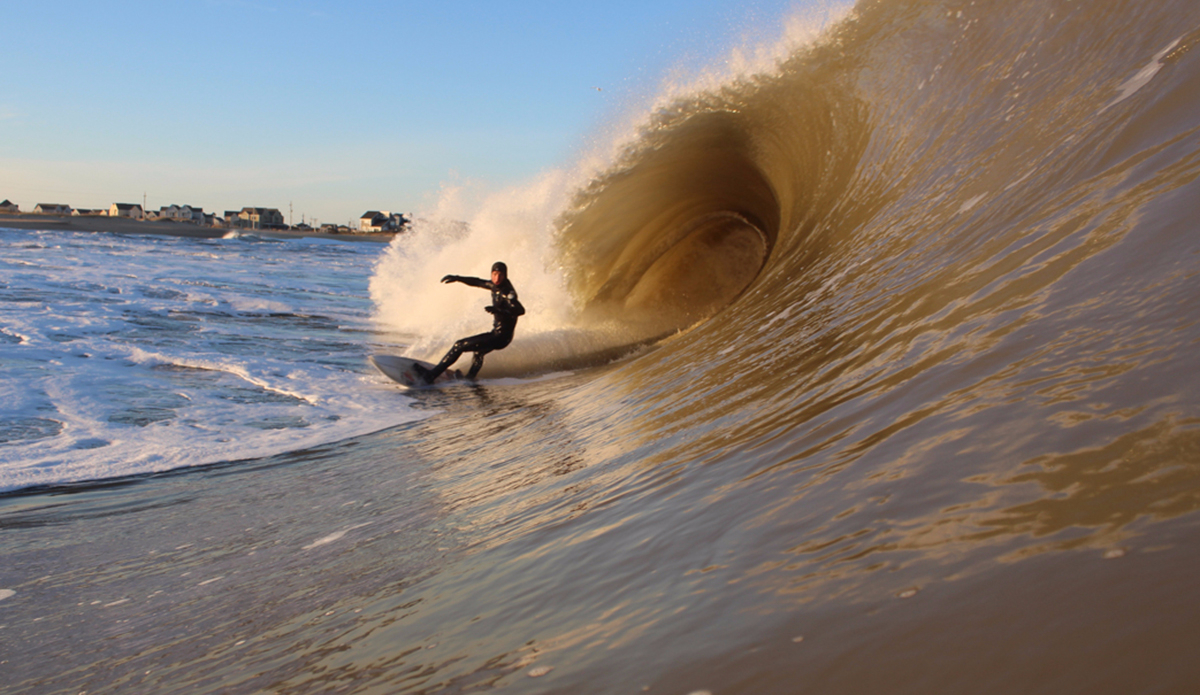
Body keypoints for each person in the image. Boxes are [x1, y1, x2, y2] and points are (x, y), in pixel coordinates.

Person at [413, 261, 525, 383]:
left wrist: (499, 310)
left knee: (459, 345)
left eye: (500, 275)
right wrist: (457, 278)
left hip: (500, 337)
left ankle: (431, 376)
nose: (497, 278)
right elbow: (477, 282)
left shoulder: (507, 293)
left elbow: (520, 310)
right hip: (499, 335)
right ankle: (470, 379)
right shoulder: (494, 285)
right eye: (494, 274)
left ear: (505, 276)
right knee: (478, 352)